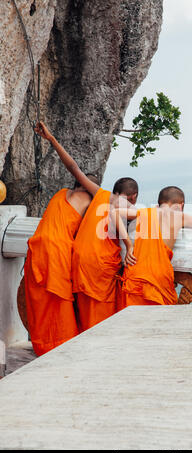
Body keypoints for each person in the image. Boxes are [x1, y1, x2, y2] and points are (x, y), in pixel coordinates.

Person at [34, 122, 137, 334]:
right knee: (101, 322)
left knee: (74, 313)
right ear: (132, 197)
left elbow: (73, 167)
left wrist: (52, 139)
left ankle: (57, 343)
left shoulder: (87, 198)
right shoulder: (109, 199)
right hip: (95, 266)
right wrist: (129, 243)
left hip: (75, 261)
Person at [24, 169, 97, 356]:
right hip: (57, 249)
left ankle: (42, 344)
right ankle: (60, 343)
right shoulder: (89, 200)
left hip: (37, 246)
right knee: (58, 300)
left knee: (40, 300)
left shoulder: (60, 194)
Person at [119, 186, 192, 307]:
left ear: (159, 203)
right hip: (159, 276)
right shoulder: (179, 217)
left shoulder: (144, 212)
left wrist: (128, 245)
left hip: (136, 274)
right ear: (181, 205)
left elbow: (114, 213)